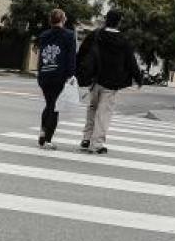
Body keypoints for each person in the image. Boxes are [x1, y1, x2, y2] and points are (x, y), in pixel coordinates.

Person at [75, 9, 141, 155]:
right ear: (119, 22)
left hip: (94, 79)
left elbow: (81, 53)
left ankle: (86, 138)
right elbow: (131, 62)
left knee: (92, 108)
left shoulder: (96, 34)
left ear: (106, 20)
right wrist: (138, 78)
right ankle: (97, 143)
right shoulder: (123, 41)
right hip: (111, 83)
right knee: (103, 112)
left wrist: (78, 72)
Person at [35, 8, 76, 150]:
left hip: (45, 73)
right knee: (54, 107)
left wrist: (39, 73)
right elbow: (71, 57)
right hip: (59, 75)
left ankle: (42, 132)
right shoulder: (69, 35)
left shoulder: (44, 35)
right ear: (63, 19)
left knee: (49, 104)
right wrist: (71, 75)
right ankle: (47, 139)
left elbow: (41, 55)